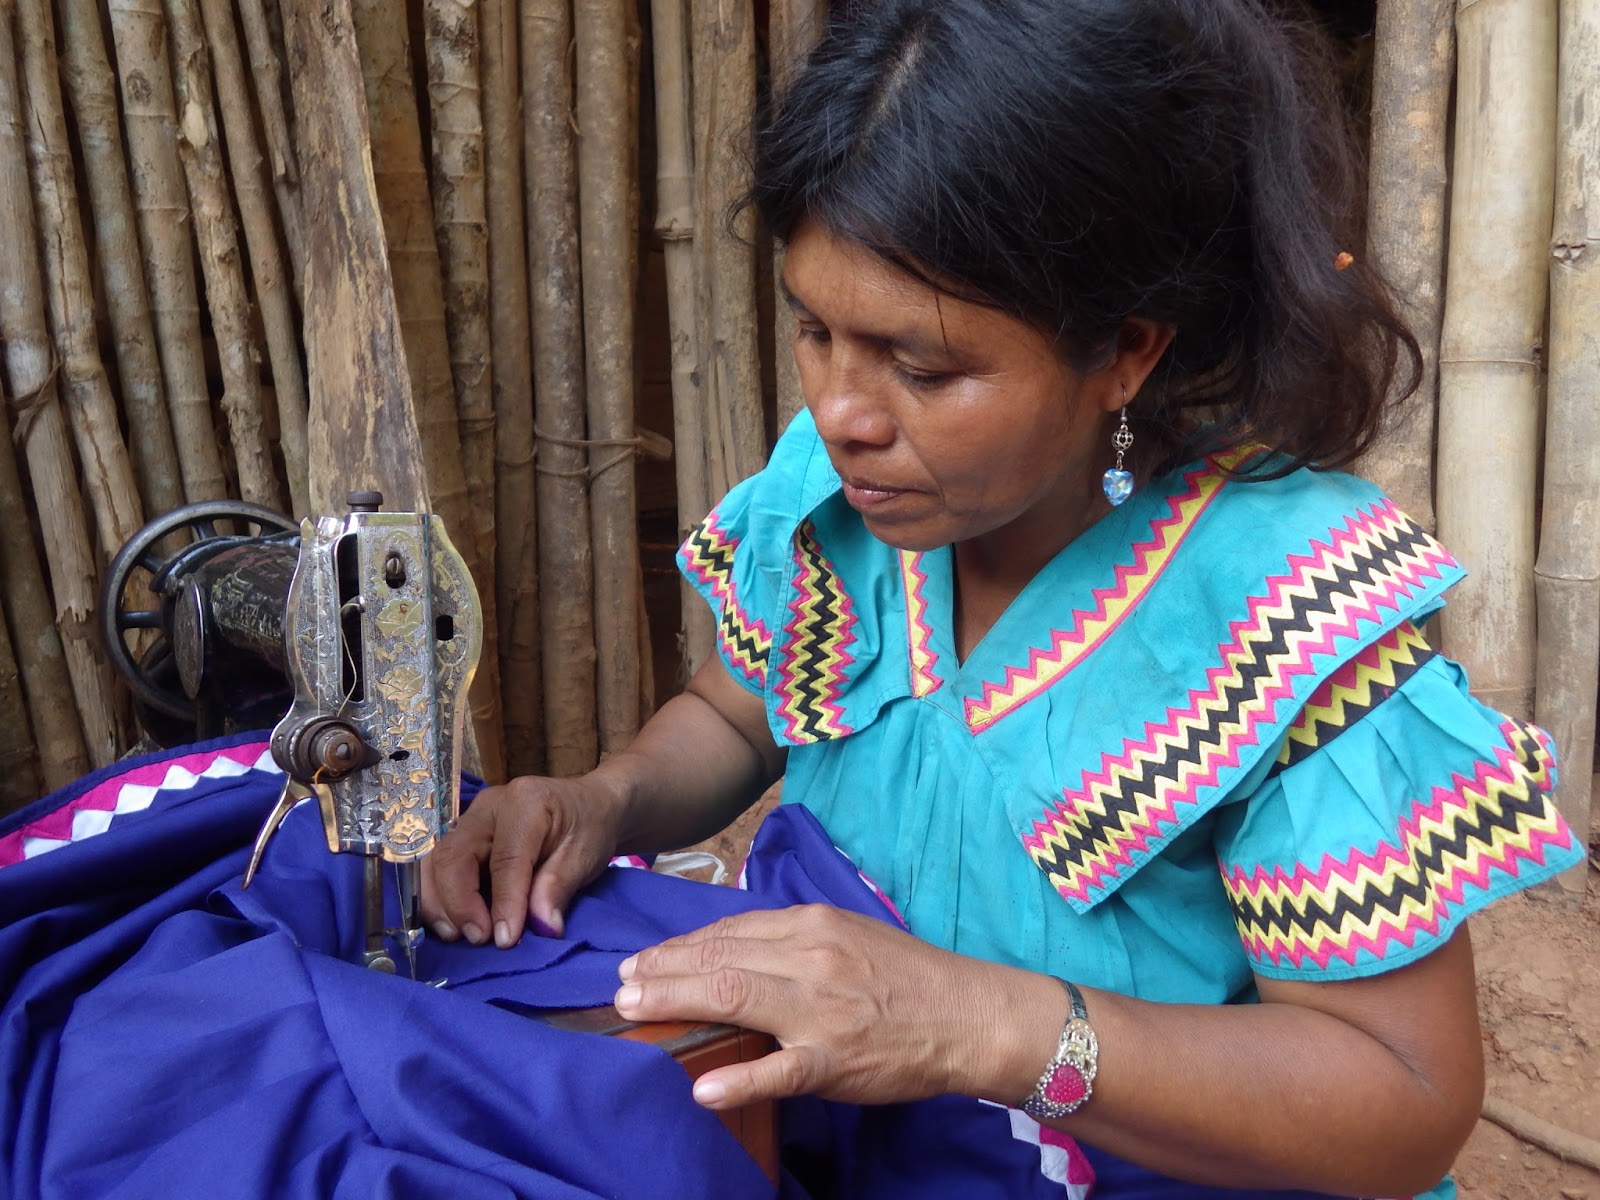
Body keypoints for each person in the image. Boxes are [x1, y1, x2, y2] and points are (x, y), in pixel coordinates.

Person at [422, 1, 1584, 1195]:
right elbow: (736, 711)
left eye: (923, 367)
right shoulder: (838, 500)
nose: (841, 410)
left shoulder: (1290, 618)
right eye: (814, 329)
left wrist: (977, 1024)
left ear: (1125, 350)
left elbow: (1401, 1101)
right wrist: (605, 800)